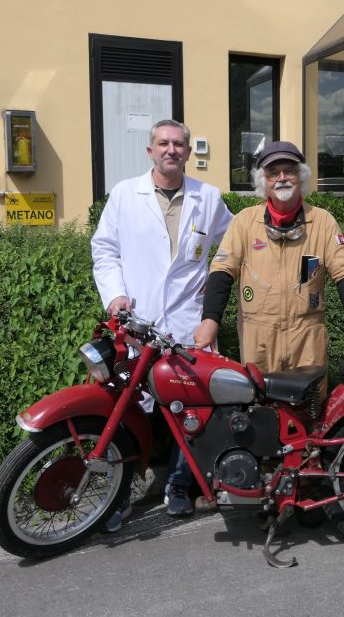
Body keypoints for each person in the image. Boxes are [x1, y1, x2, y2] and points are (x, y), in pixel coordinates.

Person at [91, 119, 233, 527]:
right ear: (150, 151)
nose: (171, 150)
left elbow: (232, 243)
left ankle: (178, 485)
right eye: (162, 143)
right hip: (137, 321)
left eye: (178, 144)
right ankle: (119, 495)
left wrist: (215, 285)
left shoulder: (208, 197)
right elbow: (104, 250)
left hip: (189, 322)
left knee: (191, 409)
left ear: (188, 153)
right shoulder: (124, 195)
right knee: (127, 409)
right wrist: (115, 295)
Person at [193, 140, 344, 387]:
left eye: (289, 171)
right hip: (258, 341)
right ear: (263, 182)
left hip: (307, 341)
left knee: (308, 413)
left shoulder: (322, 222)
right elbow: (222, 272)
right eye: (273, 173)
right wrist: (210, 320)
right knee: (260, 412)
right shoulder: (244, 222)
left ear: (300, 176)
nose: (282, 178)